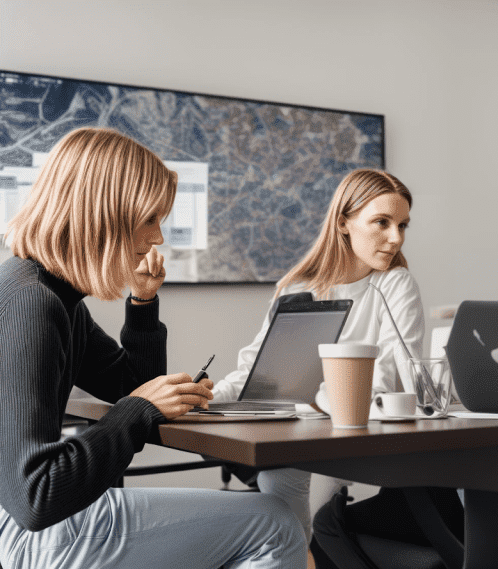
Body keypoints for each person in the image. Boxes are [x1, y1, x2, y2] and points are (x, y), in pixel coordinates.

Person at [0, 127, 305, 568]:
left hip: (28, 524)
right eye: (150, 219)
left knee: (269, 520)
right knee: (276, 525)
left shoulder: (51, 295)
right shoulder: (33, 305)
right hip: (25, 534)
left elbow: (131, 383)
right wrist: (138, 409)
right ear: (103, 214)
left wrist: (142, 304)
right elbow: (35, 496)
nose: (158, 237)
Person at [211, 168, 427, 547]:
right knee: (279, 482)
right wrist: (203, 396)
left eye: (402, 225)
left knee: (313, 505)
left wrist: (315, 394)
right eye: (382, 222)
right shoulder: (299, 290)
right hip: (304, 429)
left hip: (363, 433)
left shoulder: (394, 283)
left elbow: (392, 381)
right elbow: (256, 373)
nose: (395, 238)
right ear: (344, 223)